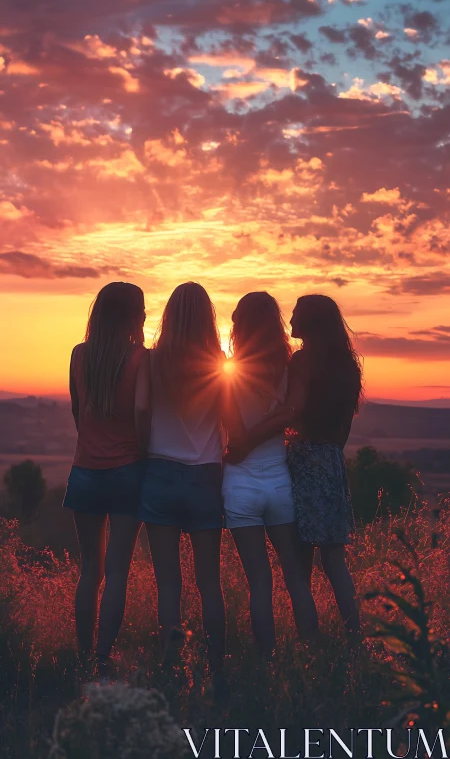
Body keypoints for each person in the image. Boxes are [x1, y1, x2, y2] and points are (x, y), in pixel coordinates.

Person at [227, 294, 362, 636]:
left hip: (303, 462)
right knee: (333, 559)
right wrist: (328, 453)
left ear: (312, 322)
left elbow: (293, 408)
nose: (290, 323)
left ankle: (307, 642)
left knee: (298, 565)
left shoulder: (303, 361)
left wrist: (257, 440)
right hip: (332, 460)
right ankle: (354, 635)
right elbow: (344, 426)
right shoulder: (348, 364)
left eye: (297, 317)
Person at [136, 282, 242, 699]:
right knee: (209, 583)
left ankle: (171, 664)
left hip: (159, 473)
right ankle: (218, 670)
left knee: (168, 584)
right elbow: (230, 420)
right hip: (205, 477)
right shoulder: (219, 364)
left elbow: (141, 411)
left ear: (168, 315)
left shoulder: (151, 361)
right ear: (207, 317)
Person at [222, 292, 318, 656]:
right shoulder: (288, 367)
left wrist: (242, 442)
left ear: (239, 325)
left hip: (239, 482)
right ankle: (312, 655)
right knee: (295, 578)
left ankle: (266, 662)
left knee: (259, 582)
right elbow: (294, 411)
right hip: (279, 480)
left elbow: (233, 431)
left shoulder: (230, 370)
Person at [64, 282, 147, 676]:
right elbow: (142, 417)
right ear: (134, 315)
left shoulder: (79, 355)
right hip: (128, 471)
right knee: (117, 572)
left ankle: (82, 656)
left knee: (89, 571)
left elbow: (79, 416)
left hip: (84, 472)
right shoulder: (139, 358)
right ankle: (101, 657)